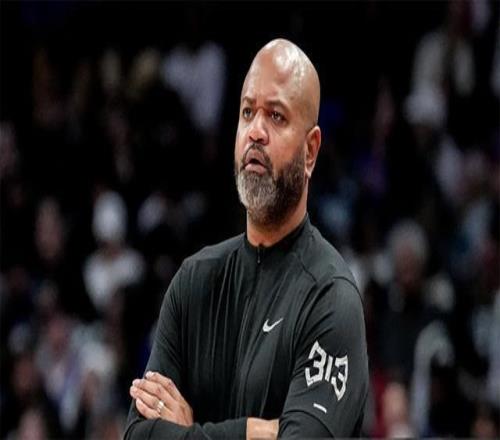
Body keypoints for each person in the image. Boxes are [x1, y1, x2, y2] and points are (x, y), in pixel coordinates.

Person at [124, 38, 368, 439]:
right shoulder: (193, 282)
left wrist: (189, 432)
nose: (255, 131)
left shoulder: (330, 298)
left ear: (310, 152)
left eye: (276, 116)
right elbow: (138, 434)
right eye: (247, 112)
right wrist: (256, 431)